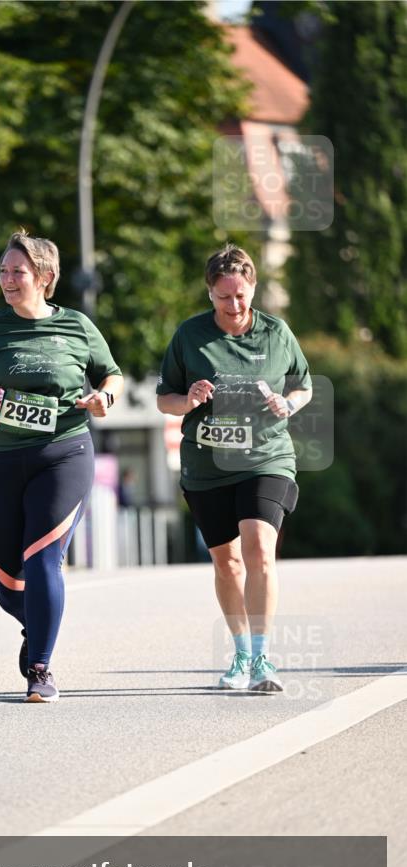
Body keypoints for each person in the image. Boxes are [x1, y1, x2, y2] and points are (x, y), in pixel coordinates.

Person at [0, 229, 124, 702]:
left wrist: (103, 397)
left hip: (63, 453)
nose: (7, 279)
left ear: (44, 277)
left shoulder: (78, 327)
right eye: (3, 271)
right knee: (7, 583)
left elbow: (112, 374)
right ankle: (37, 624)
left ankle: (41, 668)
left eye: (17, 271)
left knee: (44, 557)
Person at [156, 245, 312, 693]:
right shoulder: (190, 336)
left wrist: (289, 403)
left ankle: (263, 658)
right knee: (226, 563)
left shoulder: (276, 333)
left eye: (241, 295)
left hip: (267, 456)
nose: (235, 305)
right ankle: (241, 654)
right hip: (208, 465)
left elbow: (303, 384)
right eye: (224, 297)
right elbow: (164, 397)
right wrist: (187, 401)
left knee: (260, 548)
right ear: (210, 293)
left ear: (253, 288)